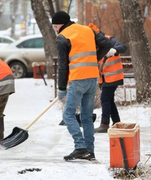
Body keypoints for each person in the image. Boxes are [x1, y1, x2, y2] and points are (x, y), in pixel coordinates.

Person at [51, 11, 114, 161]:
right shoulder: (88, 30)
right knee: (86, 117)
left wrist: (60, 88)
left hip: (78, 79)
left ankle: (80, 146)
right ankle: (89, 151)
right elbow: (107, 44)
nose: (55, 29)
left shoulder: (62, 37)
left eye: (55, 26)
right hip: (92, 78)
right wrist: (94, 58)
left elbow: (62, 66)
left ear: (60, 24)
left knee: (68, 114)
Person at [94, 33, 127, 133]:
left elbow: (123, 47)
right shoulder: (91, 43)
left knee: (105, 98)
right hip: (103, 78)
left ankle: (104, 124)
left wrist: (115, 50)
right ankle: (117, 122)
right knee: (109, 99)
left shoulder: (109, 40)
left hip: (113, 76)